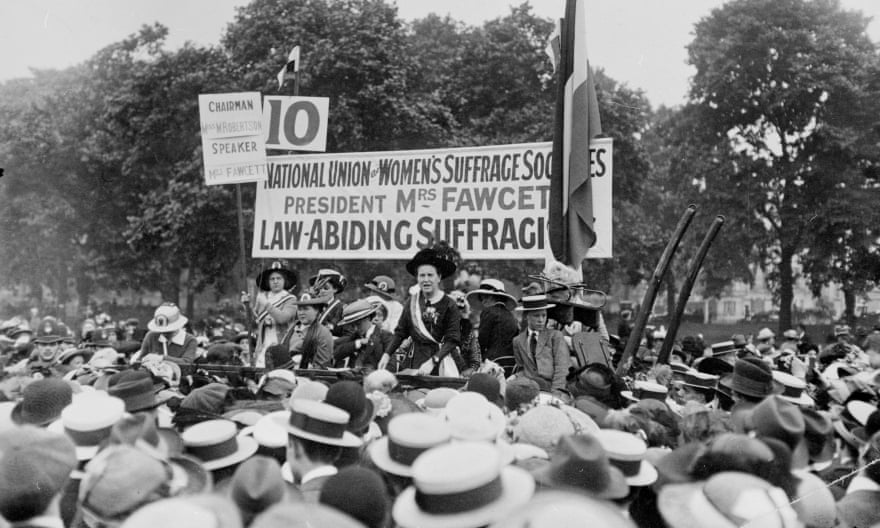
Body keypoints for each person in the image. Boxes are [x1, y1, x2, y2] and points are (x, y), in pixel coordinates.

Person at [378, 242, 461, 376]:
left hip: (441, 361)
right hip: (414, 360)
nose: (426, 280)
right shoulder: (411, 302)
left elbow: (452, 340)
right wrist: (387, 354)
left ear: (439, 277)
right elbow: (400, 333)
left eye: (430, 275)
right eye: (422, 276)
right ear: (417, 278)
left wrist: (433, 361)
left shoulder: (449, 304)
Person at [241, 261, 298, 368]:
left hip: (282, 345)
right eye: (272, 279)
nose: (275, 281)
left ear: (285, 281)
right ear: (268, 282)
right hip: (263, 345)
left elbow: (282, 318)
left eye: (279, 278)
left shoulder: (291, 299)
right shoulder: (262, 297)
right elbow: (253, 323)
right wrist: (247, 306)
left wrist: (266, 304)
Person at [512, 295, 570, 395]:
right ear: (526, 316)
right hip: (530, 387)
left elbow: (562, 367)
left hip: (552, 387)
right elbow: (521, 368)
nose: (541, 320)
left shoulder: (555, 336)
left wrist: (556, 392)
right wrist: (515, 378)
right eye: (536, 316)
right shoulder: (518, 341)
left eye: (544, 315)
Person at [465, 278, 518, 362]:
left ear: (495, 297)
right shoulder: (511, 315)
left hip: (493, 362)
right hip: (511, 361)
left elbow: (482, 341)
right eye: (481, 298)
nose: (483, 301)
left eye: (486, 296)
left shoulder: (489, 312)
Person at [133, 303, 198, 364]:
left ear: (178, 325)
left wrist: (161, 358)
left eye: (169, 330)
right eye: (161, 330)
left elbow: (187, 362)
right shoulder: (151, 336)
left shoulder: (190, 340)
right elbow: (140, 359)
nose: (164, 333)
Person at [289, 293, 334, 369]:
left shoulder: (323, 333)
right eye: (299, 309)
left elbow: (322, 365)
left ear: (316, 311)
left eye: (306, 309)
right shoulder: (291, 329)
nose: (301, 313)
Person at [309, 268, 347, 336]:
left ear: (335, 289)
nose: (321, 291)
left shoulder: (342, 308)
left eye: (326, 288)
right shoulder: (312, 306)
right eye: (318, 288)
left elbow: (348, 335)